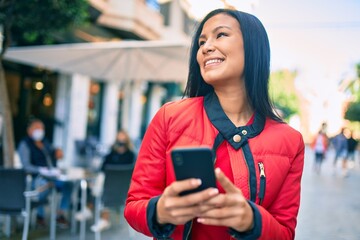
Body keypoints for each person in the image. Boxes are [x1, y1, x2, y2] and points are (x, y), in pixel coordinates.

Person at [124, 8, 305, 240]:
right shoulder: (169, 117)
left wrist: (253, 220)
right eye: (201, 42)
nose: (206, 47)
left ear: (252, 47)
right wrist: (160, 211)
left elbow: (285, 233)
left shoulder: (290, 140)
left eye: (220, 35)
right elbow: (134, 206)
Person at [75, 129, 136, 232]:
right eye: (119, 141)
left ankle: (94, 211)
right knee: (94, 185)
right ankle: (101, 217)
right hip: (108, 187)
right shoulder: (111, 154)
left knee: (99, 188)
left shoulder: (130, 156)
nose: (120, 145)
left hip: (120, 189)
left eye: (123, 142)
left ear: (127, 142)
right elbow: (102, 169)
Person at [17, 118, 72, 228]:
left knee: (68, 184)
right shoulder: (25, 144)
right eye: (37, 128)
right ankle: (40, 216)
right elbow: (26, 166)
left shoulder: (45, 143)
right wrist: (41, 170)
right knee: (44, 185)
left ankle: (60, 214)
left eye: (42, 128)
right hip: (36, 178)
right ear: (29, 130)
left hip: (52, 176)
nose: (40, 130)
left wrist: (58, 154)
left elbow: (54, 157)